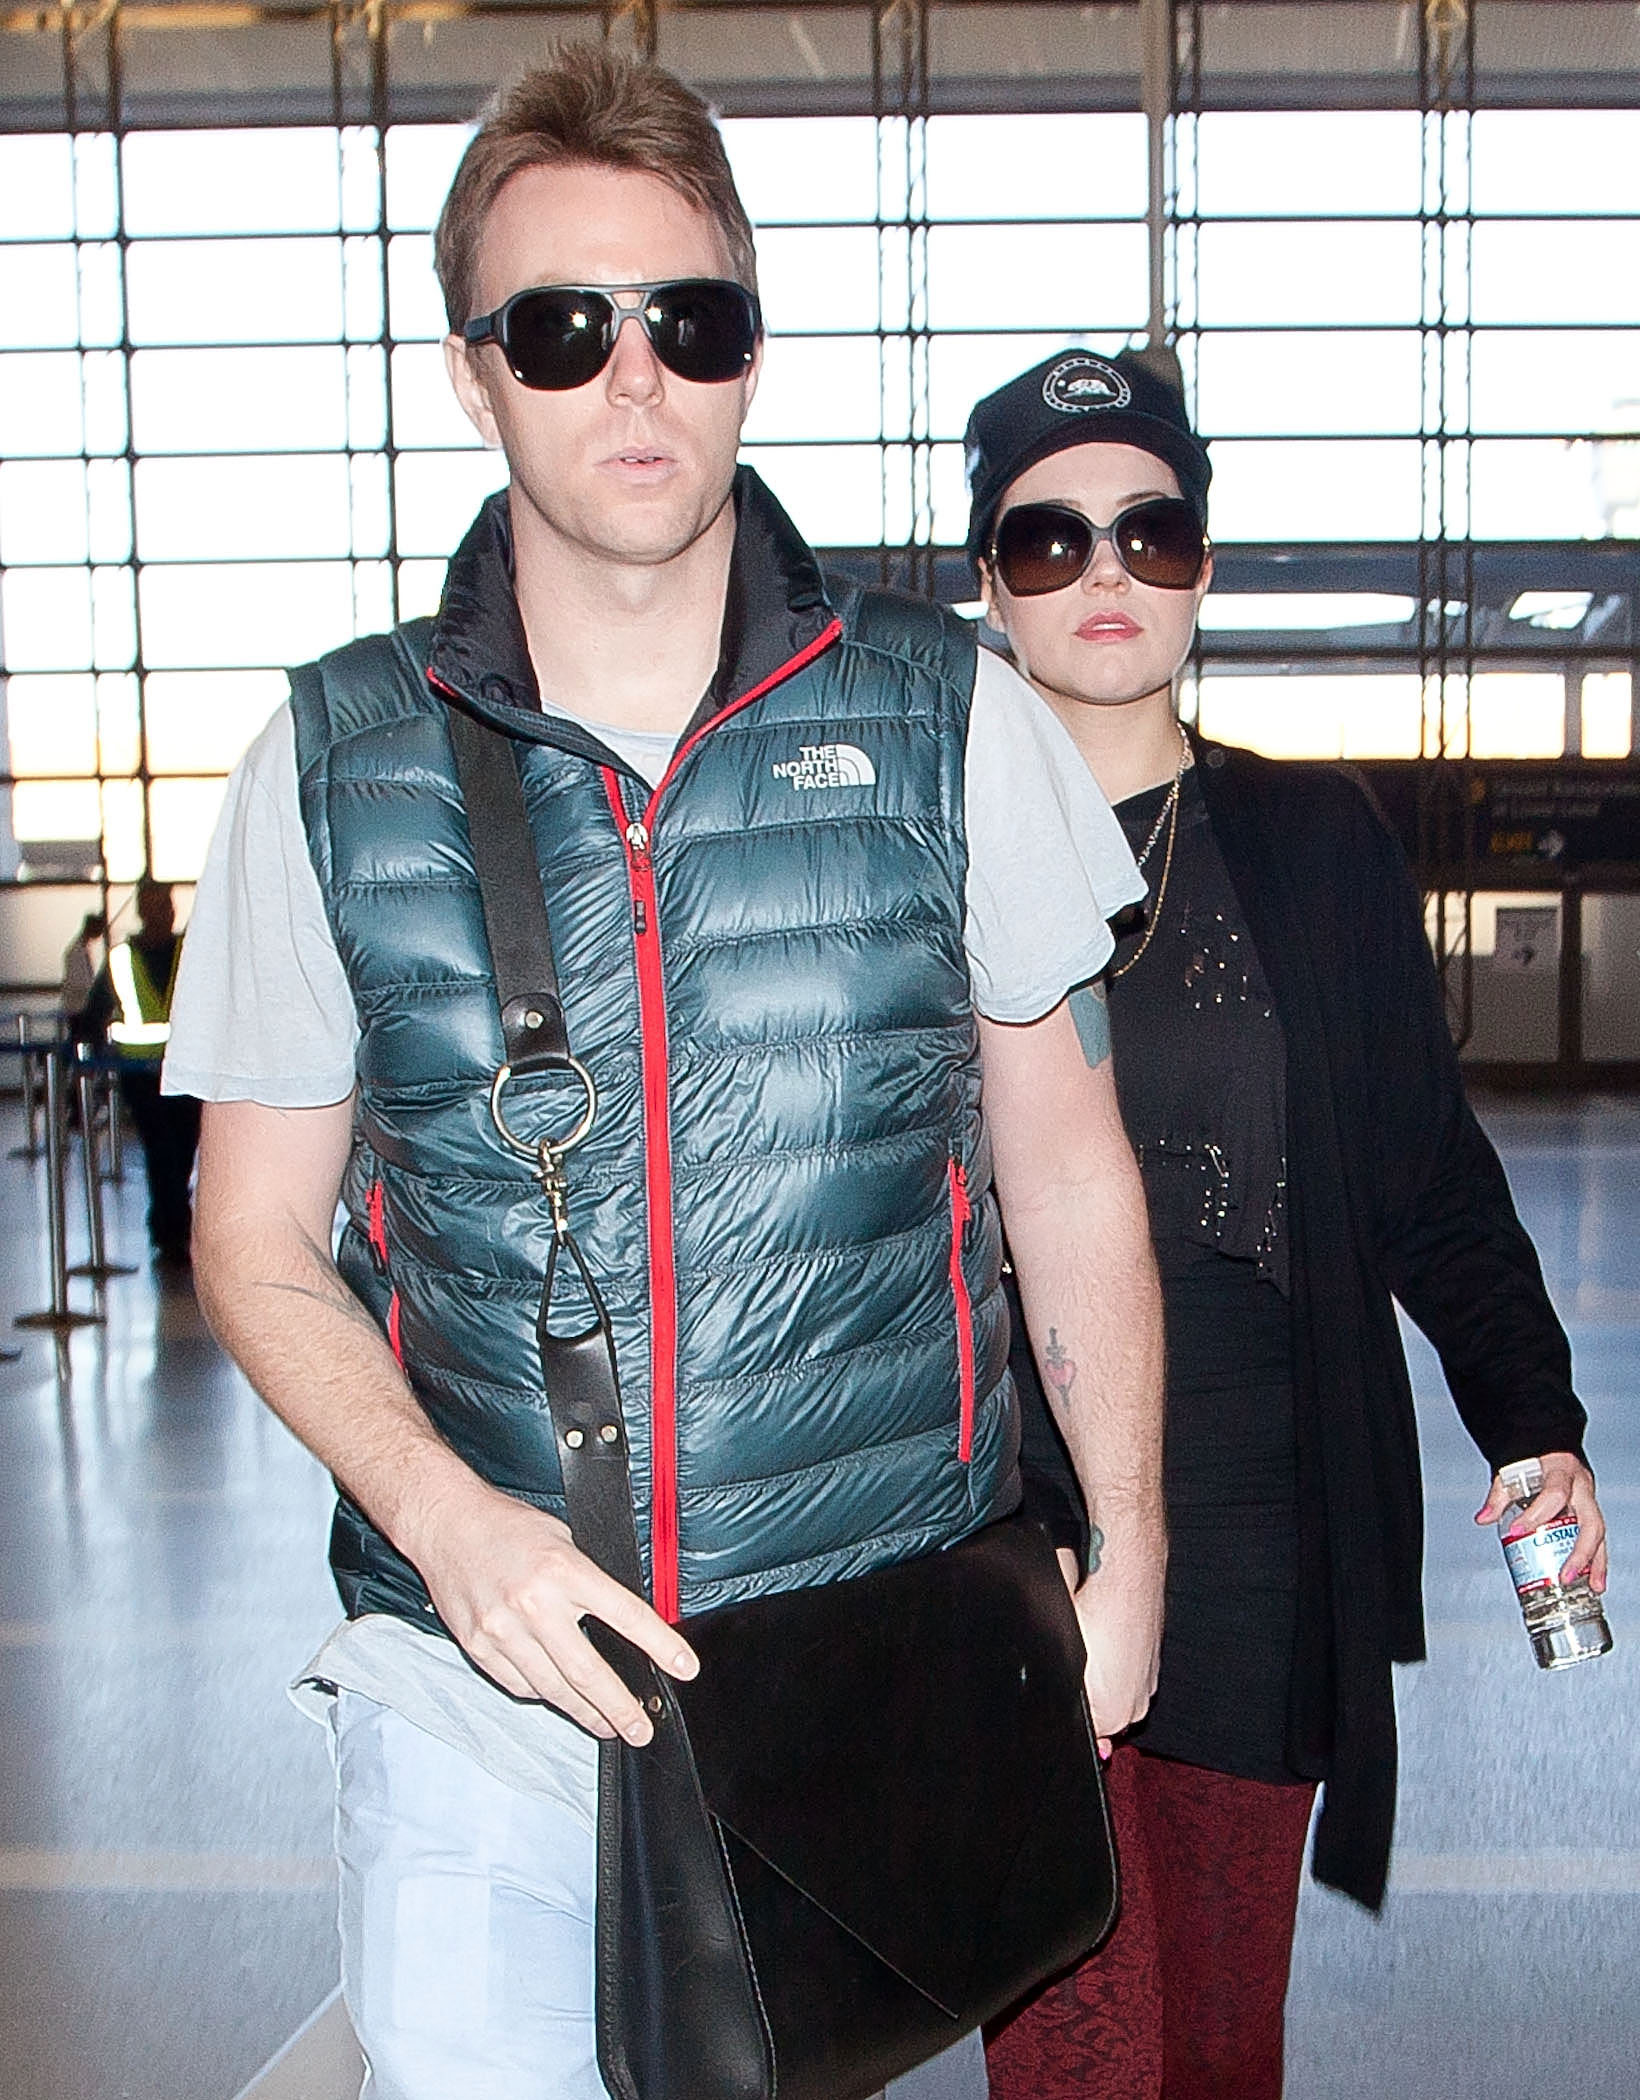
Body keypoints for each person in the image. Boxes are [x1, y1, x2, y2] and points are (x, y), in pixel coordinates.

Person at [165, 49, 1167, 2095]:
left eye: (684, 323)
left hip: (856, 1676)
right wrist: (449, 1526)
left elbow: (1069, 1174)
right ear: (474, 375)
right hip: (481, 1681)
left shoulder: (947, 726)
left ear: (747, 354)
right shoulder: (329, 767)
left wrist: (1132, 1557)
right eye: (562, 329)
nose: (635, 381)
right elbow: (253, 1237)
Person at [960, 350, 1602, 2100]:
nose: (1105, 574)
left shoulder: (1310, 845)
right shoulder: (918, 857)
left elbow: (1421, 1169)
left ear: (1205, 570)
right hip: (1000, 1520)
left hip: (1257, 1516)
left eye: (1151, 533)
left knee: (1224, 2049)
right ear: (988, 582)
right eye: (1049, 539)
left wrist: (1532, 1414)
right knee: (1081, 2049)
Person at [92, 879, 199, 1266]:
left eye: (166, 905)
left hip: (185, 1072)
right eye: (154, 906)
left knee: (183, 1148)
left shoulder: (189, 952)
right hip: (139, 1074)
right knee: (160, 1149)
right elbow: (96, 1007)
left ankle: (172, 1222)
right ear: (141, 910)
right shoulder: (122, 958)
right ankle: (171, 1228)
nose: (162, 913)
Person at [56, 909, 105, 1052]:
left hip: (80, 1009)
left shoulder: (80, 950)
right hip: (79, 1010)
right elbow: (81, 984)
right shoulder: (76, 953)